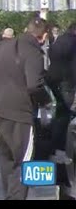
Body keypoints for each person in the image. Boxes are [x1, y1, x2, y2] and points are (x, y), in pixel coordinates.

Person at [0, 18, 51, 200]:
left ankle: (9, 194)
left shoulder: (2, 46)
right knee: (23, 161)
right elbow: (34, 85)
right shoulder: (33, 52)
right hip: (20, 112)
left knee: (6, 158)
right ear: (43, 35)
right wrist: (46, 101)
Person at [46, 23, 76, 165]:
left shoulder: (60, 40)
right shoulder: (73, 42)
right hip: (66, 81)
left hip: (54, 79)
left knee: (59, 113)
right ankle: (59, 150)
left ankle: (53, 149)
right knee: (63, 116)